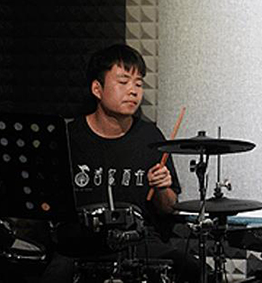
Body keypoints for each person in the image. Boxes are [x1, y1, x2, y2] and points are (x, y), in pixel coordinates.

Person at [41, 44, 198, 283]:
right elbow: (48, 206)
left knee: (192, 269)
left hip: (139, 242)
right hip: (80, 245)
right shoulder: (68, 138)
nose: (133, 91)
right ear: (97, 88)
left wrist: (163, 187)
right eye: (123, 82)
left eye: (138, 84)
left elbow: (167, 208)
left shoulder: (150, 137)